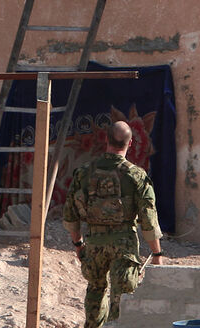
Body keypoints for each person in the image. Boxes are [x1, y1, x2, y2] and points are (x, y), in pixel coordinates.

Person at [63, 120, 164, 328]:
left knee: (95, 289)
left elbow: (71, 214)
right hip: (124, 245)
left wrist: (78, 245)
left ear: (106, 140)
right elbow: (148, 219)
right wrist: (156, 254)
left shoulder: (83, 173)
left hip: (94, 244)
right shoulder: (136, 176)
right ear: (130, 143)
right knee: (122, 300)